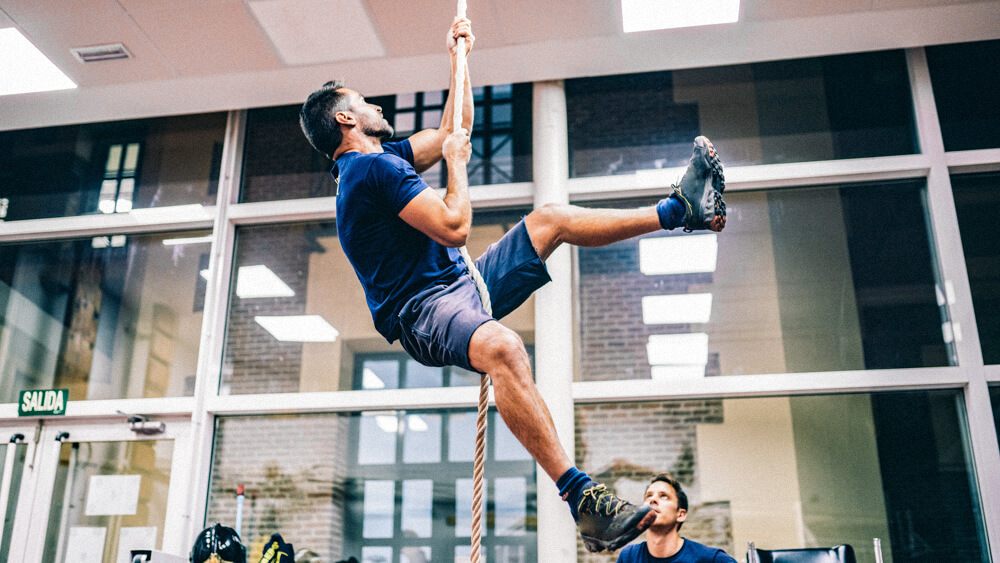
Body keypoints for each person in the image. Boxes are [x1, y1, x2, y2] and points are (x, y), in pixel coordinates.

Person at [299, 17, 726, 554]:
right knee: (503, 346)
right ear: (346, 118)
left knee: (549, 220)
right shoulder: (368, 172)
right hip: (423, 311)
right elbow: (455, 223)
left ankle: (678, 210)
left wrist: (461, 57)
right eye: (366, 102)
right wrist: (457, 167)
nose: (378, 107)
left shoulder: (377, 163)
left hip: (459, 285)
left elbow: (453, 132)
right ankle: (583, 503)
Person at [616, 475, 738, 563]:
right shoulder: (628, 556)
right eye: (649, 496)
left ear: (680, 515)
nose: (652, 500)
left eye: (664, 496)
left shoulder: (711, 559)